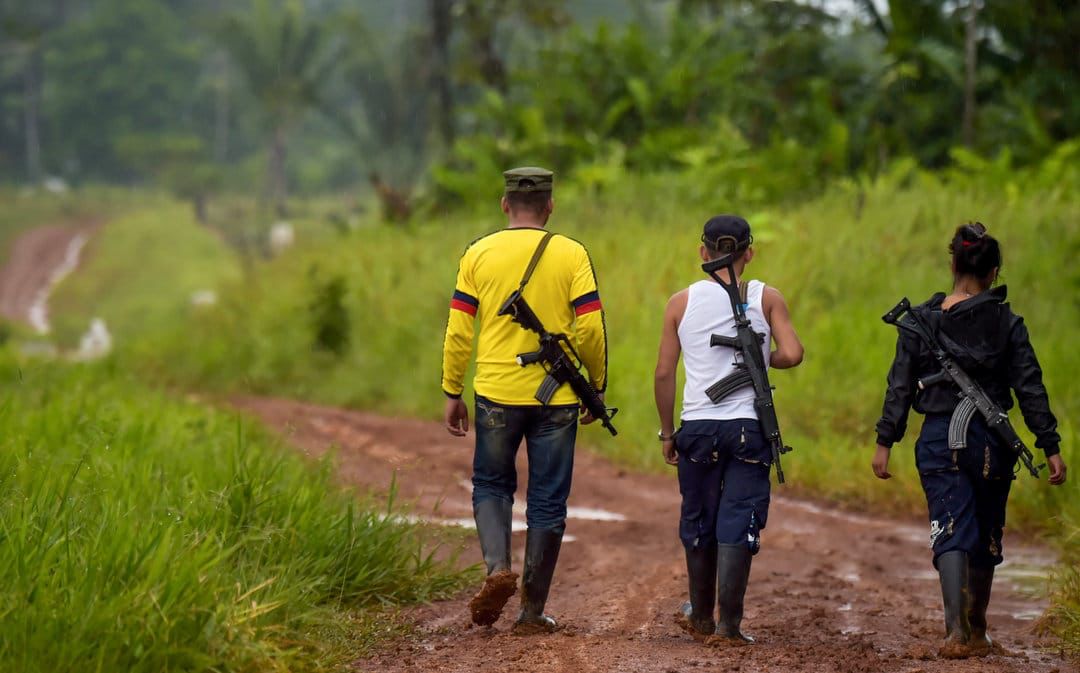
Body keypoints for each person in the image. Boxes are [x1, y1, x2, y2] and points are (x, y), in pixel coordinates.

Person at [872, 223, 1067, 657]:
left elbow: (899, 387)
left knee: (951, 526)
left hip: (940, 439)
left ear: (953, 265)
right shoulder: (1008, 323)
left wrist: (885, 441)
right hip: (991, 444)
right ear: (994, 272)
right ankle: (976, 630)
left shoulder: (921, 321)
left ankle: (957, 632)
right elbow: (1030, 388)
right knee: (986, 530)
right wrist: (1049, 445)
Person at [441, 166, 609, 634]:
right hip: (558, 397)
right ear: (550, 206)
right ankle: (532, 612)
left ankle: (498, 569)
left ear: (505, 205)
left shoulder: (478, 253)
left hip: (495, 391)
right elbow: (590, 327)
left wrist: (452, 389)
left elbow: (459, 330)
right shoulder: (572, 253)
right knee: (548, 499)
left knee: (491, 485)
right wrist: (595, 384)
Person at [653, 215, 804, 643]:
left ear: (703, 252)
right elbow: (793, 353)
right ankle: (729, 626)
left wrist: (667, 433)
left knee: (699, 517)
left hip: (698, 426)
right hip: (748, 428)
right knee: (739, 519)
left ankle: (701, 615)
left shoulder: (680, 302)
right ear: (748, 253)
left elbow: (664, 373)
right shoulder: (766, 297)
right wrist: (761, 357)